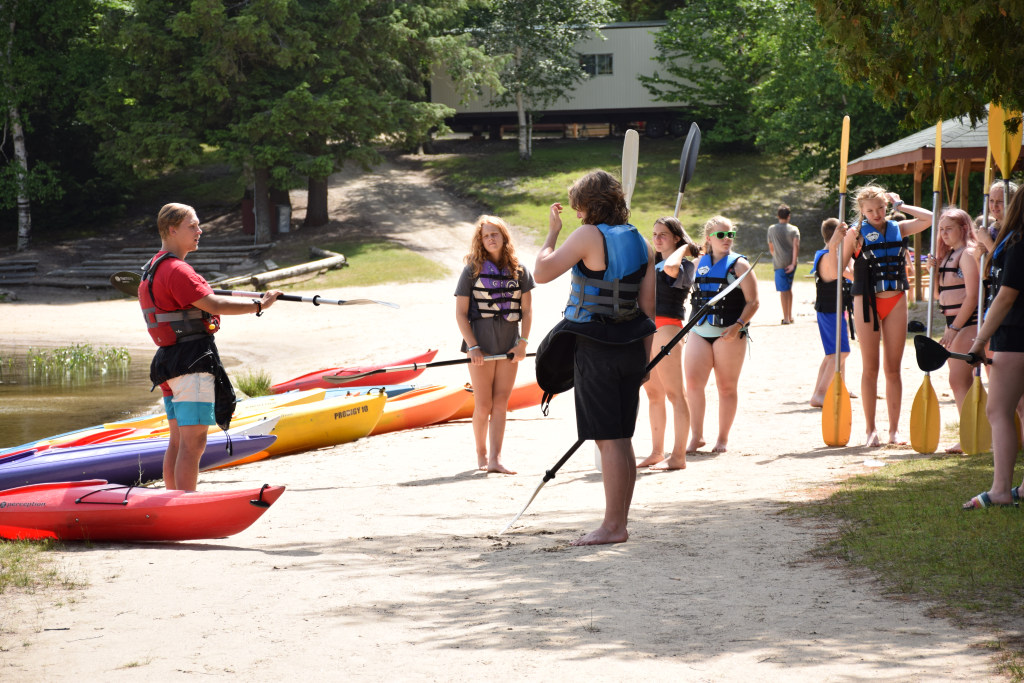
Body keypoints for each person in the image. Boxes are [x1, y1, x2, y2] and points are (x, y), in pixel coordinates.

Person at [533, 170, 656, 545]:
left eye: (577, 208)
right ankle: (618, 521)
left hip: (595, 344)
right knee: (621, 437)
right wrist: (646, 364)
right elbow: (648, 309)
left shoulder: (588, 235)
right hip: (632, 345)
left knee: (608, 439)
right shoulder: (642, 242)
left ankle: (613, 527)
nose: (576, 214)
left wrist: (551, 233)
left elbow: (541, 272)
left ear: (588, 205)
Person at [139, 203, 281, 491]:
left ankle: (173, 501)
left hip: (169, 362)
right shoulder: (178, 270)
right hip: (192, 362)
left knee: (178, 441)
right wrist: (259, 305)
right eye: (192, 226)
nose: (199, 231)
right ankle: (184, 505)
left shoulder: (152, 267)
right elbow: (214, 304)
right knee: (194, 442)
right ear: (172, 229)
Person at [837, 185, 932, 446]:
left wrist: (901, 206)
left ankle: (894, 430)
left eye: (880, 208)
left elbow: (929, 219)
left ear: (886, 206)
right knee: (871, 367)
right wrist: (855, 277)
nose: (876, 214)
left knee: (893, 368)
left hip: (896, 301)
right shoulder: (855, 234)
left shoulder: (897, 228)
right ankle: (870, 430)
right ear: (862, 211)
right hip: (866, 302)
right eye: (870, 210)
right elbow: (839, 266)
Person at [454, 215, 534, 474]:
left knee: (501, 403)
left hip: (509, 345)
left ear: (504, 237)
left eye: (495, 234)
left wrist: (522, 343)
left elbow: (528, 310)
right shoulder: (471, 270)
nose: (490, 238)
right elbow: (460, 313)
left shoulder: (519, 270)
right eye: (486, 235)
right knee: (484, 404)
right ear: (480, 240)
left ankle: (496, 460)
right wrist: (473, 346)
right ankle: (481, 455)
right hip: (481, 346)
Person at [962, 189, 1024, 509]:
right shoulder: (1008, 243)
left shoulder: (1016, 245)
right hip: (1013, 335)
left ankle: (1000, 490)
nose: (999, 206)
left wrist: (979, 340)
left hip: (1014, 336)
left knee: (997, 411)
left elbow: (1005, 297)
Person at [684, 216, 759, 453]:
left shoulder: (740, 266)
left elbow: (754, 302)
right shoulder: (696, 264)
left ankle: (722, 439)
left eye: (730, 235)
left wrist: (738, 325)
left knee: (726, 387)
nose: (726, 239)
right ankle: (696, 436)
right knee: (693, 384)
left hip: (729, 332)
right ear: (709, 238)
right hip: (698, 330)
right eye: (720, 235)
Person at [639, 217, 699, 470]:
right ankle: (656, 452)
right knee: (654, 395)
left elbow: (671, 269)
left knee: (676, 394)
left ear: (676, 237)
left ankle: (678, 456)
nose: (657, 238)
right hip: (647, 329)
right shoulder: (651, 263)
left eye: (664, 234)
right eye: (655, 234)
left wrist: (685, 246)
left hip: (667, 328)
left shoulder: (683, 264)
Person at [926, 207, 979, 454]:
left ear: (964, 229)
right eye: (941, 229)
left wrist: (955, 327)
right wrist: (934, 270)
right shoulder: (948, 256)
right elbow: (938, 295)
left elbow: (973, 295)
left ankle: (971, 434)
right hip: (954, 324)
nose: (944, 233)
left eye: (949, 229)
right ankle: (972, 432)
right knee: (959, 380)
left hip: (968, 323)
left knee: (958, 379)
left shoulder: (967, 255)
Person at [809, 217, 854, 407]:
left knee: (833, 355)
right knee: (840, 353)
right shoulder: (828, 255)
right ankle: (819, 395)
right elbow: (849, 274)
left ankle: (839, 387)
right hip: (829, 310)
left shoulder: (833, 253)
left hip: (836, 309)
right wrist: (841, 248)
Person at [766, 204, 800, 324]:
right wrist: (793, 263)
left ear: (778, 215)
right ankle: (789, 316)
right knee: (789, 289)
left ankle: (785, 318)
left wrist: (776, 256)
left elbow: (771, 247)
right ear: (789, 216)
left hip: (779, 262)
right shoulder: (794, 229)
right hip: (791, 262)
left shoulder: (772, 229)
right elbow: (796, 246)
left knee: (783, 290)